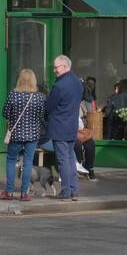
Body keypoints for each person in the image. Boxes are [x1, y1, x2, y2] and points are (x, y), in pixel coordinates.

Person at [0, 69, 45, 200]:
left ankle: (9, 191)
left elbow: (5, 113)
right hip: (33, 134)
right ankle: (24, 193)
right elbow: (42, 116)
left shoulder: (13, 95)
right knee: (28, 163)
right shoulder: (39, 97)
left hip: (16, 134)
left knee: (11, 160)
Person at [44, 54, 83, 201]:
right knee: (70, 159)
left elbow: (48, 107)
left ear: (65, 66)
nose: (54, 70)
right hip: (71, 126)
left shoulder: (59, 86)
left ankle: (66, 191)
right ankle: (74, 190)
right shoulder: (78, 82)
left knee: (63, 161)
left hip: (59, 127)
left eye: (56, 67)